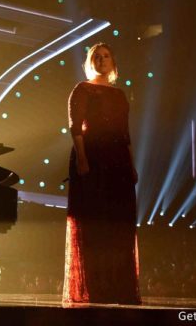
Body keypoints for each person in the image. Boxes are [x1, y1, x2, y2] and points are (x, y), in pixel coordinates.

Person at [63, 43, 141, 305]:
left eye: (106, 56)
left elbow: (125, 134)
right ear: (90, 62)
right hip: (93, 156)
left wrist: (131, 165)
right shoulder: (82, 89)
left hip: (117, 160)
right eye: (96, 56)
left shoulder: (119, 94)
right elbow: (75, 127)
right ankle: (97, 287)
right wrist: (83, 159)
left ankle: (120, 287)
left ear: (113, 62)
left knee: (118, 224)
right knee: (95, 223)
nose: (101, 60)